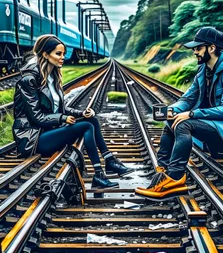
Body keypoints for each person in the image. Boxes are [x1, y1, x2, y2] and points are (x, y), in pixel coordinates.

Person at [136, 26, 223, 200]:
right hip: (217, 127)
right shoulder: (203, 70)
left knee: (184, 124)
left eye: (198, 48)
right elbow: (188, 99)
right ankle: (162, 172)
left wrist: (191, 114)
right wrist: (172, 111)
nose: (194, 52)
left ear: (212, 48)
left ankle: (175, 178)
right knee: (172, 121)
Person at [13, 34, 133, 189]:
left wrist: (80, 113)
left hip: (49, 131)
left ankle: (109, 161)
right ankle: (98, 175)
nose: (63, 57)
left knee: (91, 120)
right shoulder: (28, 80)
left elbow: (59, 108)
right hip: (33, 138)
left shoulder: (52, 76)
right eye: (58, 54)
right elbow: (36, 117)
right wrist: (62, 118)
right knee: (86, 126)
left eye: (63, 53)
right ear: (45, 54)